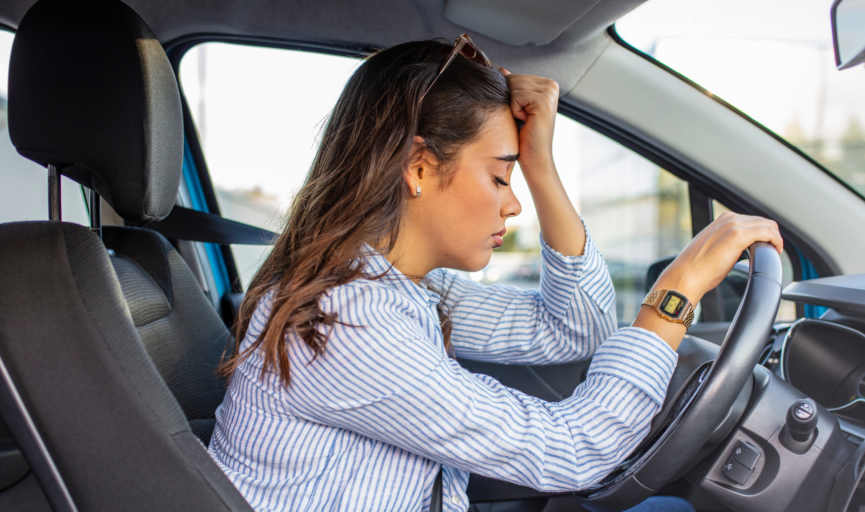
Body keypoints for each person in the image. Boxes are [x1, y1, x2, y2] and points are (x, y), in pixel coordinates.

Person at [209, 35, 783, 512]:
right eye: (500, 178)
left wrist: (538, 162)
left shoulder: (400, 286)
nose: (514, 206)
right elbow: (570, 449)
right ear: (418, 168)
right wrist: (676, 293)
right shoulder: (348, 322)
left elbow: (575, 328)